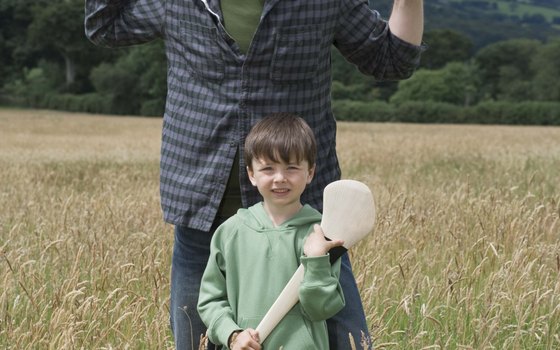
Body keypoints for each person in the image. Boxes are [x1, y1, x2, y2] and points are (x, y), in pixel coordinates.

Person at [84, 0, 424, 348]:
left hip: (305, 221)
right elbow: (105, 26)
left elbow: (393, 58)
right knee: (197, 340)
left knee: (350, 342)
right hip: (199, 204)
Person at [198, 113, 346, 350]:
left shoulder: (321, 234)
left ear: (310, 173)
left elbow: (321, 309)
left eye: (292, 168)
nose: (280, 178)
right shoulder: (230, 232)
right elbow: (210, 300)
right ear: (251, 174)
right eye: (268, 168)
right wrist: (232, 334)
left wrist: (317, 261)